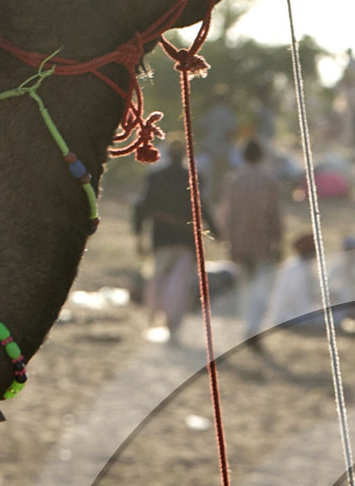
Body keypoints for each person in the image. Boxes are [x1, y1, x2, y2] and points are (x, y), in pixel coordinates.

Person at [131, 143, 215, 336]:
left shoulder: (155, 177)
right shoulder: (194, 177)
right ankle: (172, 321)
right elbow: (204, 208)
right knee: (180, 281)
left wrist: (138, 234)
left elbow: (142, 207)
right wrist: (216, 233)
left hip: (161, 236)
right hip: (186, 237)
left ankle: (155, 315)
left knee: (159, 277)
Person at [221, 140, 284, 339]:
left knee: (246, 284)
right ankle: (253, 326)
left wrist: (228, 240)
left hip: (240, 239)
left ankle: (248, 325)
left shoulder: (235, 179)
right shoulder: (269, 180)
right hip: (263, 239)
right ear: (262, 156)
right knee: (260, 284)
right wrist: (278, 240)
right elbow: (275, 213)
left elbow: (229, 214)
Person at [265, 232, 322, 332]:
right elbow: (294, 297)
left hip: (299, 309)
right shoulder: (295, 268)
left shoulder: (303, 266)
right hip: (290, 314)